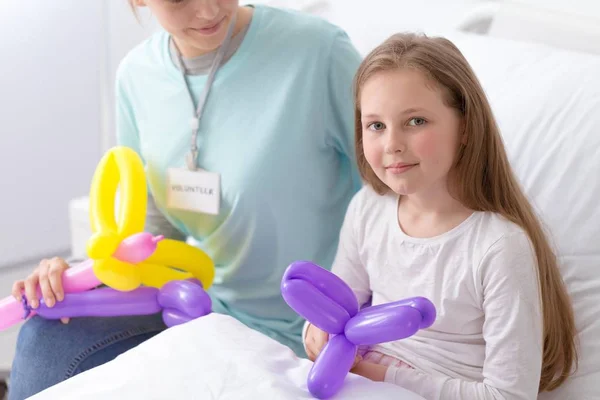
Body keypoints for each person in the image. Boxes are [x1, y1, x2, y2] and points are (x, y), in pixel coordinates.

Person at [9, 1, 363, 398]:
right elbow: (148, 236)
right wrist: (77, 279)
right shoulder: (136, 76)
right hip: (200, 312)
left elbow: (394, 197)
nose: (209, 9)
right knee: (47, 336)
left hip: (311, 329)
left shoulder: (318, 52)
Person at [304, 33, 578, 399]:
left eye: (415, 121)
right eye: (376, 125)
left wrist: (379, 375)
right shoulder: (368, 208)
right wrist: (315, 332)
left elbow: (509, 395)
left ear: (465, 126)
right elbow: (339, 306)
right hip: (355, 380)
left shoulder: (499, 247)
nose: (392, 144)